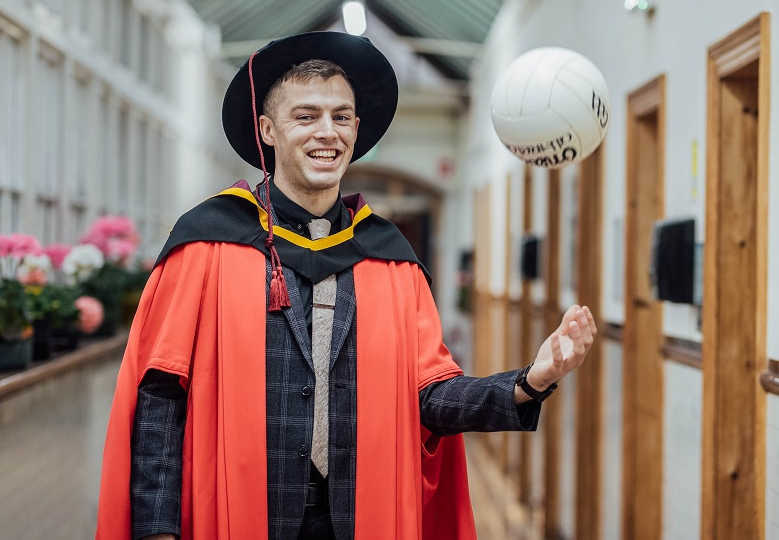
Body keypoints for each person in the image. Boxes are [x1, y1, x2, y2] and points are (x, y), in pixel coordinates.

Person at [95, 32, 597, 540]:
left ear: (356, 129)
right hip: (243, 514)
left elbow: (431, 396)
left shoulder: (389, 257)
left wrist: (530, 379)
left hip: (356, 519)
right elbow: (161, 400)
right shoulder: (207, 245)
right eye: (305, 116)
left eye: (340, 117)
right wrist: (157, 531)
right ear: (268, 130)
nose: (326, 132)